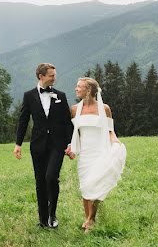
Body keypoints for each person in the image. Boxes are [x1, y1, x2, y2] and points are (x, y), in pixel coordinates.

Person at [13, 63, 74, 229]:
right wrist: (18, 144)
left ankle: (52, 214)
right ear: (41, 76)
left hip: (57, 145)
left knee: (51, 177)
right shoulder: (29, 96)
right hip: (38, 145)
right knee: (40, 182)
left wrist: (70, 143)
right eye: (51, 75)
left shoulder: (60, 95)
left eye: (54, 75)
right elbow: (23, 121)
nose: (54, 78)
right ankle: (43, 219)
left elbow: (67, 122)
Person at [69, 77, 126, 232]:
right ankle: (88, 218)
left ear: (88, 90)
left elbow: (110, 131)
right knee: (86, 187)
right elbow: (75, 133)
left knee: (97, 183)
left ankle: (90, 220)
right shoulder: (75, 109)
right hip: (85, 154)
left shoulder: (104, 109)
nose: (76, 89)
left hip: (100, 151)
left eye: (79, 86)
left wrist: (116, 143)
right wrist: (71, 147)